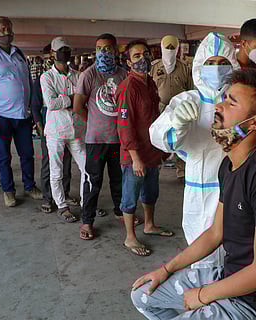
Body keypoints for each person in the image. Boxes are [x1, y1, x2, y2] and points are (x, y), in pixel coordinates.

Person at [132, 69, 256, 320]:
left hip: (254, 304)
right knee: (143, 294)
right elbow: (216, 233)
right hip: (227, 275)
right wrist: (165, 269)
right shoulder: (230, 165)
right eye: (224, 98)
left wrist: (203, 295)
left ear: (255, 122)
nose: (219, 105)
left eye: (231, 102)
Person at [150, 32, 256, 267]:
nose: (217, 68)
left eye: (223, 63)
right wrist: (177, 124)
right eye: (210, 63)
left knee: (238, 250)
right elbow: (161, 139)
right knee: (201, 251)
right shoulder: (186, 101)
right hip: (199, 189)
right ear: (200, 65)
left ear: (232, 65)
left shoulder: (246, 105)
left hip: (239, 186)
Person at [116, 40, 174, 256]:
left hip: (151, 151)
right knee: (130, 195)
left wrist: (162, 146)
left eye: (145, 54)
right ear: (129, 62)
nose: (142, 60)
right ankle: (130, 237)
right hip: (134, 155)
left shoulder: (149, 83)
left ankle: (149, 225)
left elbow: (154, 117)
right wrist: (135, 157)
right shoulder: (128, 88)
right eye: (137, 56)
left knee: (151, 192)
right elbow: (124, 125)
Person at [0, 16, 42, 206]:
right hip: (0, 117)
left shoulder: (19, 53)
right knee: (4, 156)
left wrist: (30, 108)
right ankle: (8, 191)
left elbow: (27, 83)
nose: (7, 31)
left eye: (9, 28)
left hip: (22, 116)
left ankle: (29, 186)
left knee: (27, 154)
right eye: (3, 28)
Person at [74, 33, 129, 240]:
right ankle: (87, 221)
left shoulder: (124, 75)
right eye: (99, 48)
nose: (103, 53)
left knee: (119, 180)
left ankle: (119, 212)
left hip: (119, 140)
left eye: (107, 48)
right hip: (96, 140)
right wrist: (95, 122)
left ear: (115, 51)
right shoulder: (89, 74)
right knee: (92, 181)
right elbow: (78, 106)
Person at [41, 37, 86, 223]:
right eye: (60, 50)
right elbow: (50, 103)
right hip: (55, 132)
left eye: (67, 49)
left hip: (76, 130)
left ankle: (86, 203)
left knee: (87, 169)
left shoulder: (77, 75)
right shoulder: (47, 77)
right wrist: (72, 98)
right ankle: (62, 206)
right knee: (56, 172)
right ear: (53, 53)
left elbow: (82, 99)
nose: (64, 53)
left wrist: (68, 99)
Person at [31, 53, 75, 215]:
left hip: (68, 125)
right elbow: (35, 104)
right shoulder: (44, 78)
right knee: (49, 163)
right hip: (50, 126)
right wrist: (39, 125)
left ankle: (65, 193)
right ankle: (48, 198)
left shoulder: (72, 76)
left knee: (67, 162)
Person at [151, 35, 193, 180]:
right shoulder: (154, 67)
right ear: (162, 48)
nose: (169, 50)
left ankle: (182, 171)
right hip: (159, 108)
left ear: (177, 50)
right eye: (167, 48)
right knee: (157, 136)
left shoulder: (184, 68)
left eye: (172, 48)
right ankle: (155, 166)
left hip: (179, 110)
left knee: (180, 138)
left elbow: (190, 89)